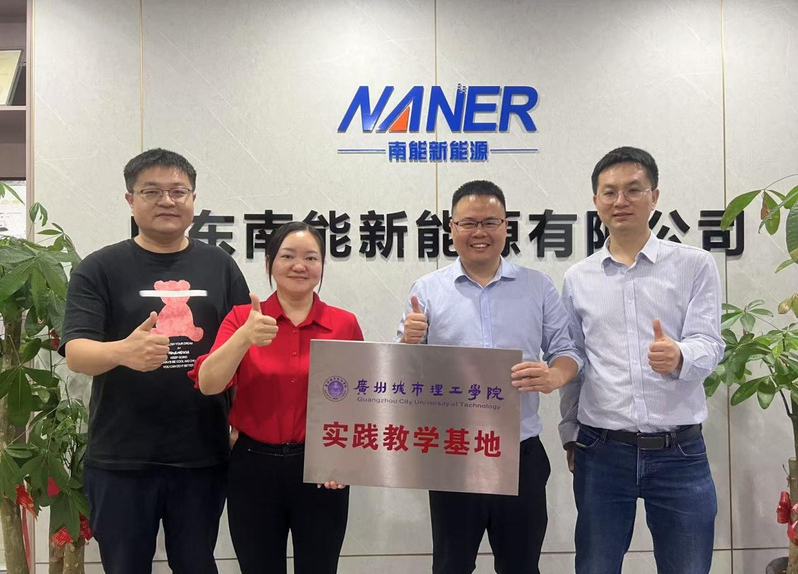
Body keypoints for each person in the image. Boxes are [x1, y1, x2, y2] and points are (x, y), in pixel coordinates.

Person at [60, 148, 250, 574]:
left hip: (202, 454)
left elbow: (242, 350)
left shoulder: (220, 266)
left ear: (193, 199)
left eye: (178, 191)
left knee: (197, 564)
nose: (167, 201)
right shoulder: (100, 267)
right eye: (152, 191)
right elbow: (76, 353)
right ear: (131, 200)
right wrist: (122, 351)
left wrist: (241, 420)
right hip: (121, 458)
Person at [396, 180, 580, 574]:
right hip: (453, 453)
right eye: (468, 223)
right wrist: (410, 341)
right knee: (451, 565)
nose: (479, 232)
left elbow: (568, 351)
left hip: (520, 452)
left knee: (521, 565)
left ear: (506, 226)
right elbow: (402, 374)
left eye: (490, 222)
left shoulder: (537, 286)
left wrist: (553, 376)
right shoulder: (427, 290)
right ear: (452, 228)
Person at [559, 146, 724, 574]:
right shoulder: (578, 278)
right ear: (596, 201)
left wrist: (680, 354)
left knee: (688, 567)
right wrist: (569, 432)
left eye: (634, 190)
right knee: (595, 566)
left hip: (679, 451)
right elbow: (574, 360)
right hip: (601, 450)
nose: (621, 201)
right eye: (609, 192)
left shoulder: (694, 265)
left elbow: (711, 343)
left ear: (654, 196)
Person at [191, 221, 363, 574]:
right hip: (253, 466)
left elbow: (359, 400)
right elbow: (209, 384)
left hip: (321, 468)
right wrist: (243, 338)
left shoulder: (343, 324)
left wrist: (343, 459)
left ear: (322, 265)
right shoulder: (243, 318)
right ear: (269, 263)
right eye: (287, 256)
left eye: (311, 258)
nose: (299, 265)